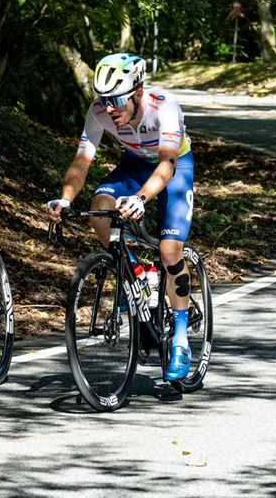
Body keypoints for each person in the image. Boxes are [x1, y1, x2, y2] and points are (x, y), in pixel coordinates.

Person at [45, 53, 195, 380]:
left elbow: (167, 165)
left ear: (137, 92)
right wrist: (66, 198)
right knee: (100, 210)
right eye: (103, 99)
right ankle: (137, 272)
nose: (108, 107)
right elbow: (81, 162)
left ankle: (181, 338)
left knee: (170, 250)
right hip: (134, 164)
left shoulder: (163, 106)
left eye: (116, 99)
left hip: (172, 166)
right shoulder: (100, 112)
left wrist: (141, 198)